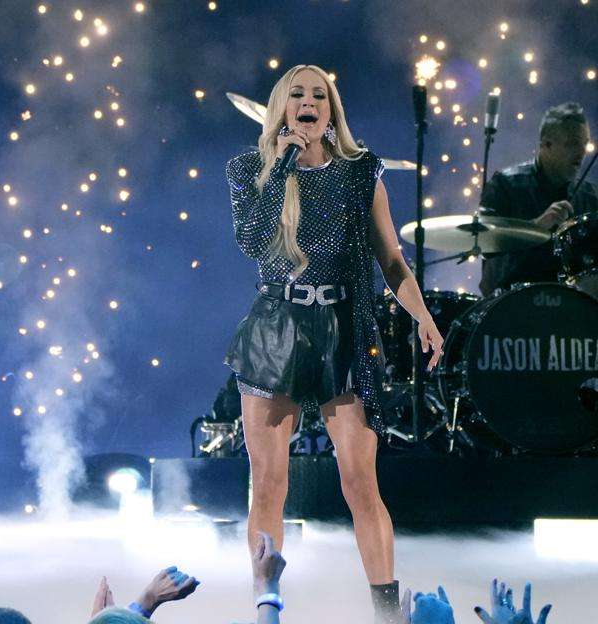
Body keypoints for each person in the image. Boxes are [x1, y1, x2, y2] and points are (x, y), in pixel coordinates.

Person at [224, 64, 445, 624]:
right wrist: (282, 168)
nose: (308, 102)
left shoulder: (359, 172)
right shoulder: (249, 168)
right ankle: (265, 607)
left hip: (346, 327)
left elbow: (391, 259)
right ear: (281, 109)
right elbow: (251, 240)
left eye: (318, 95)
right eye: (296, 94)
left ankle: (387, 613)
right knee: (269, 485)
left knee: (358, 479)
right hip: (277, 325)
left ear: (331, 110)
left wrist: (422, 316)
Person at [479, 102, 596, 295]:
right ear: (546, 144)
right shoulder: (505, 185)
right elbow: (486, 246)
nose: (582, 151)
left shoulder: (590, 197)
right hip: (512, 305)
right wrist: (535, 227)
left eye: (585, 143)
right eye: (573, 143)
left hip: (574, 310)